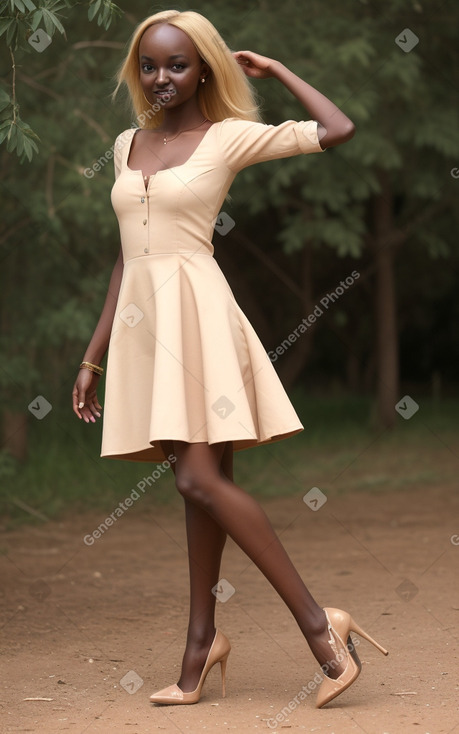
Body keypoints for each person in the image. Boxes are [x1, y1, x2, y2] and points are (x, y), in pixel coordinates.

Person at [72, 9, 388, 709]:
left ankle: (321, 628)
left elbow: (335, 130)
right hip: (142, 328)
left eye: (178, 65)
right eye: (149, 64)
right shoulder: (126, 142)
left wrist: (274, 71)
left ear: (204, 69)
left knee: (194, 481)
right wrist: (93, 357)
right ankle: (199, 647)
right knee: (199, 483)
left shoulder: (227, 137)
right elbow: (127, 258)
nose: (161, 77)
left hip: (201, 322)